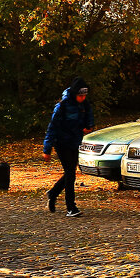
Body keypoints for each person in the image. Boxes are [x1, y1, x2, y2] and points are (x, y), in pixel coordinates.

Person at [43, 76, 95, 217]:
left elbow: (89, 117)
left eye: (84, 95)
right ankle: (71, 207)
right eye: (80, 96)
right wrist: (47, 149)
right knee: (71, 174)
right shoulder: (62, 106)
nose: (82, 98)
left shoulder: (85, 104)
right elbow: (52, 127)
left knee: (70, 172)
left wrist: (89, 126)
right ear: (74, 94)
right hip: (61, 142)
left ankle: (53, 193)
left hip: (75, 141)